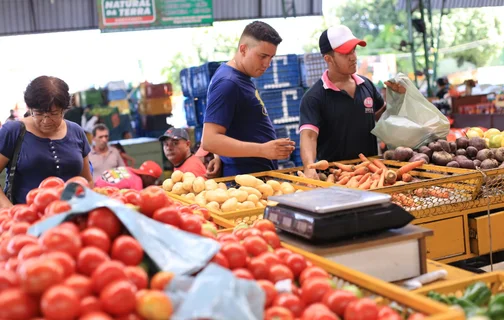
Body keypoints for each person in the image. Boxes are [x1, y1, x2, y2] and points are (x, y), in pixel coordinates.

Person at [299, 25, 405, 179]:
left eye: (354, 50)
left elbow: (383, 119)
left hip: (372, 174)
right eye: (345, 53)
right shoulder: (314, 97)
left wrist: (396, 97)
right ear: (328, 59)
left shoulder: (367, 85)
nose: (353, 57)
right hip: (335, 177)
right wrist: (309, 167)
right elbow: (309, 136)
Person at [201, 21, 295, 177]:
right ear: (243, 49)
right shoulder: (228, 83)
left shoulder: (239, 77)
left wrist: (219, 156)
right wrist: (263, 150)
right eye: (262, 56)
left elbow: (225, 123)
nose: (267, 64)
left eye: (271, 57)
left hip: (254, 177)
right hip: (244, 181)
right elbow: (210, 140)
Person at [0, 76, 93, 206]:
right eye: (38, 113)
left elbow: (87, 180)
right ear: (30, 108)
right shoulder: (13, 131)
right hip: (26, 218)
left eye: (54, 114)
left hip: (71, 216)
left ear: (64, 109)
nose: (46, 120)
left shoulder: (76, 131)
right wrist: (9, 209)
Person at [94, 160, 162, 191]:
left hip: (94, 186)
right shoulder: (137, 182)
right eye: (154, 180)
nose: (153, 184)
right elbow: (137, 199)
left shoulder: (128, 169)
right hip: (102, 194)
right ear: (147, 176)